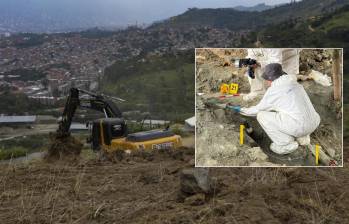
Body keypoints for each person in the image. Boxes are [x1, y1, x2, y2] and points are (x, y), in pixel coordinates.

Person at [240, 63, 320, 155]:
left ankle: (285, 144)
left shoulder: (274, 91)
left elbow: (257, 109)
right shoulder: (295, 83)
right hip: (314, 122)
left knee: (261, 115)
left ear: (270, 80)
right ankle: (303, 138)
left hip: (300, 126)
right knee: (290, 111)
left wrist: (241, 110)